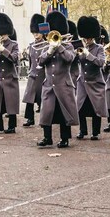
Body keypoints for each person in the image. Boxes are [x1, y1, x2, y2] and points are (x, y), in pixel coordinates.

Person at [37, 11, 77, 148]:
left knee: (63, 113)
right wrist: (49, 51)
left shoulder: (68, 46)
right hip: (49, 85)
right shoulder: (46, 46)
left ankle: (64, 138)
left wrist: (58, 46)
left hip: (63, 85)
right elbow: (40, 61)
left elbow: (69, 59)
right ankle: (47, 138)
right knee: (46, 112)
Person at [74, 16, 108, 140]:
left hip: (95, 82)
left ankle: (95, 132)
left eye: (88, 38)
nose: (86, 40)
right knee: (80, 108)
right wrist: (75, 53)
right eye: (85, 38)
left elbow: (100, 62)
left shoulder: (99, 48)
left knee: (96, 109)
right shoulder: (81, 48)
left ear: (92, 37)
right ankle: (83, 131)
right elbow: (73, 60)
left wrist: (88, 54)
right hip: (83, 82)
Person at [0, 13, 20, 134]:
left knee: (11, 104)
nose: (2, 36)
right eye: (0, 34)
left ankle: (12, 126)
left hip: (10, 77)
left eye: (4, 34)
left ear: (8, 32)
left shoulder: (14, 44)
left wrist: (3, 50)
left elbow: (14, 58)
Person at [22, 14, 46, 127]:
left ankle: (44, 119)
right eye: (34, 33)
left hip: (43, 75)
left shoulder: (46, 45)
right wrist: (30, 71)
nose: (36, 35)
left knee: (42, 99)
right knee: (29, 98)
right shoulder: (31, 46)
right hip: (33, 75)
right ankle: (30, 118)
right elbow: (31, 61)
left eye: (38, 32)